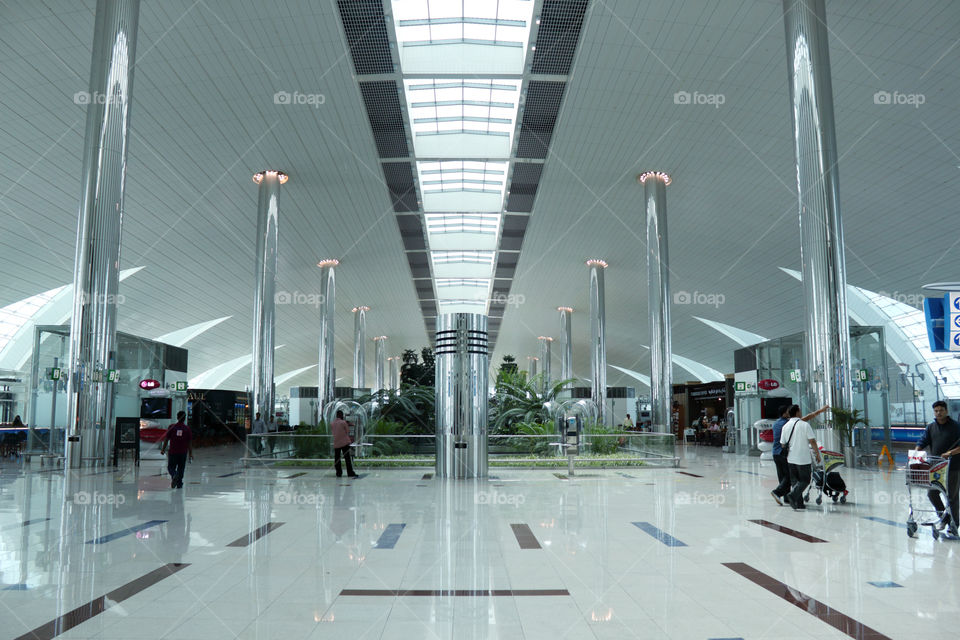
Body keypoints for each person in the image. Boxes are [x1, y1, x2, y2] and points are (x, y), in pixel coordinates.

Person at [915, 400, 960, 534]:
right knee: (932, 493)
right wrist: (917, 451)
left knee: (952, 496)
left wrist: (949, 453)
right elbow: (923, 441)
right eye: (936, 411)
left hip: (953, 467)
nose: (938, 413)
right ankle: (944, 517)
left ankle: (954, 524)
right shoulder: (931, 427)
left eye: (941, 410)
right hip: (936, 468)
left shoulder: (956, 427)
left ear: (946, 411)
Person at [771, 404, 828, 505]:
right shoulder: (790, 423)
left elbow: (782, 442)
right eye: (788, 411)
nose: (789, 413)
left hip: (776, 453)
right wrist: (820, 411)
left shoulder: (777, 423)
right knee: (794, 478)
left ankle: (791, 500)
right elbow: (807, 420)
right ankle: (779, 493)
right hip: (787, 455)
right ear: (785, 413)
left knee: (784, 477)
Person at [159, 411, 193, 489]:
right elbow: (190, 442)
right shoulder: (187, 429)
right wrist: (190, 453)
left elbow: (166, 439)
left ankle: (174, 475)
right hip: (183, 452)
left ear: (177, 417)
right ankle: (179, 483)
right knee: (181, 468)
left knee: (171, 467)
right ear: (185, 418)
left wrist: (163, 449)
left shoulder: (172, 427)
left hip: (173, 452)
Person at [330, 410, 358, 478]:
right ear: (341, 415)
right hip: (344, 443)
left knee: (337, 459)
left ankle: (338, 473)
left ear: (336, 415)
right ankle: (350, 472)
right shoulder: (343, 422)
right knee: (347, 458)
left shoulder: (332, 423)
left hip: (336, 443)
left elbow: (333, 432)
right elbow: (347, 431)